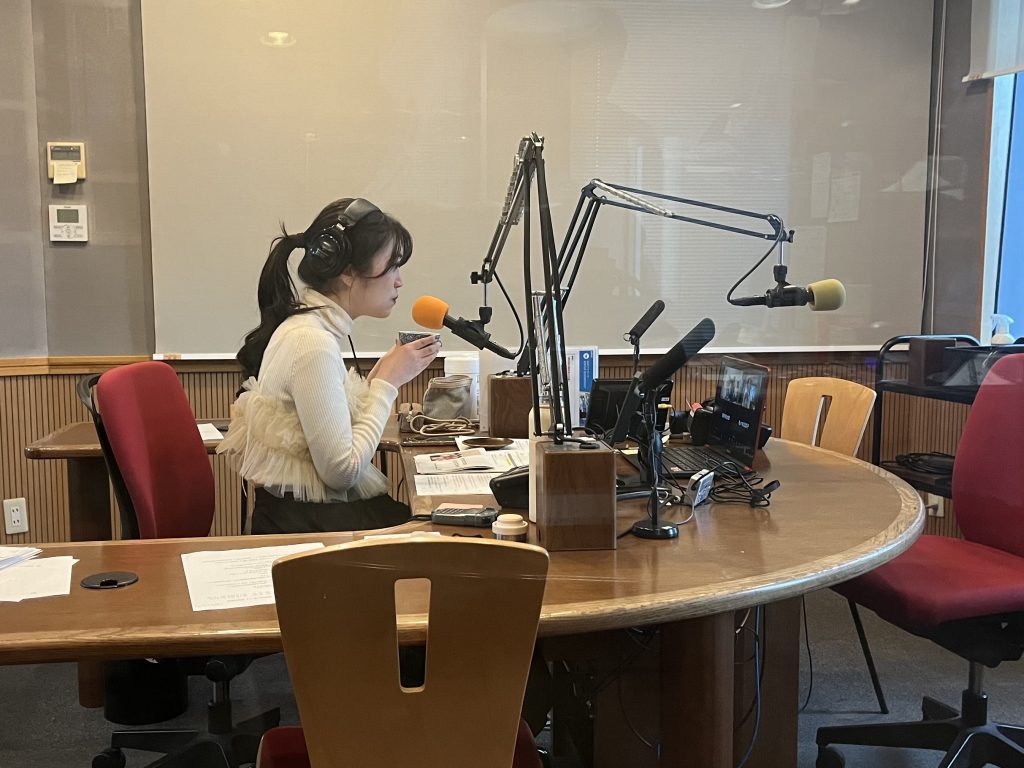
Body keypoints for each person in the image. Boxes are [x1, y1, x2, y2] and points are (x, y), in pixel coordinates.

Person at [218, 198, 440, 534]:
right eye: (392, 266)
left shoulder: (310, 330)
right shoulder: (312, 343)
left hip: (311, 518)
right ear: (348, 272)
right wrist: (387, 384)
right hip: (310, 529)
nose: (399, 281)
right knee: (443, 536)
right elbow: (341, 472)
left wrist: (380, 375)